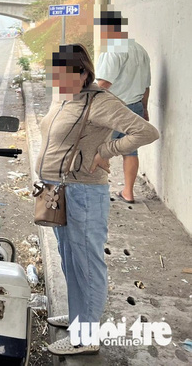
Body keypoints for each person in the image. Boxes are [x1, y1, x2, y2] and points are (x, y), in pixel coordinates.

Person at [37, 44, 159, 356]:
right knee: (69, 258)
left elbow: (145, 131)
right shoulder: (67, 98)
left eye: (66, 73)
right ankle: (80, 318)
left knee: (87, 264)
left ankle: (86, 336)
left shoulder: (99, 101)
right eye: (56, 73)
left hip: (83, 194)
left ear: (84, 72)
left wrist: (105, 152)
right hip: (57, 191)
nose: (59, 79)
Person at [95, 10, 152, 203]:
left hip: (114, 109)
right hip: (135, 106)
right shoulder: (140, 50)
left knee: (98, 149)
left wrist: (86, 102)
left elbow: (103, 83)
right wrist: (144, 109)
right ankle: (128, 192)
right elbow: (146, 86)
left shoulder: (113, 49)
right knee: (130, 151)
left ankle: (99, 192)